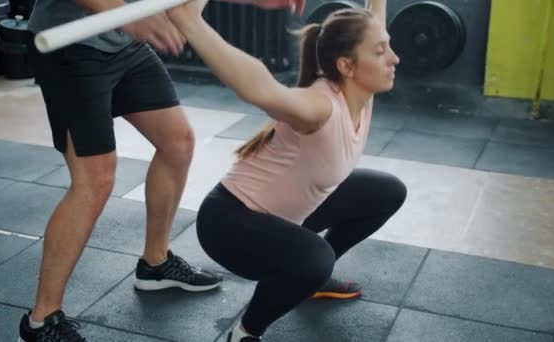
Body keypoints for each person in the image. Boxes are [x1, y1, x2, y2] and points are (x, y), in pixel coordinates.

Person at [17, 0, 304, 341]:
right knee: (94, 179)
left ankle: (155, 264)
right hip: (71, 47)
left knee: (177, 142)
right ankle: (41, 320)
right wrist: (127, 15)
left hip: (123, 44)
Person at [166, 0, 406, 340]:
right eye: (381, 52)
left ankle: (311, 281)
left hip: (282, 216)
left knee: (388, 192)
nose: (394, 58)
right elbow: (259, 88)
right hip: (230, 224)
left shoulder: (360, 91)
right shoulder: (319, 107)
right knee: (315, 257)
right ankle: (247, 331)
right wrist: (189, 21)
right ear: (347, 66)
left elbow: (375, 16)